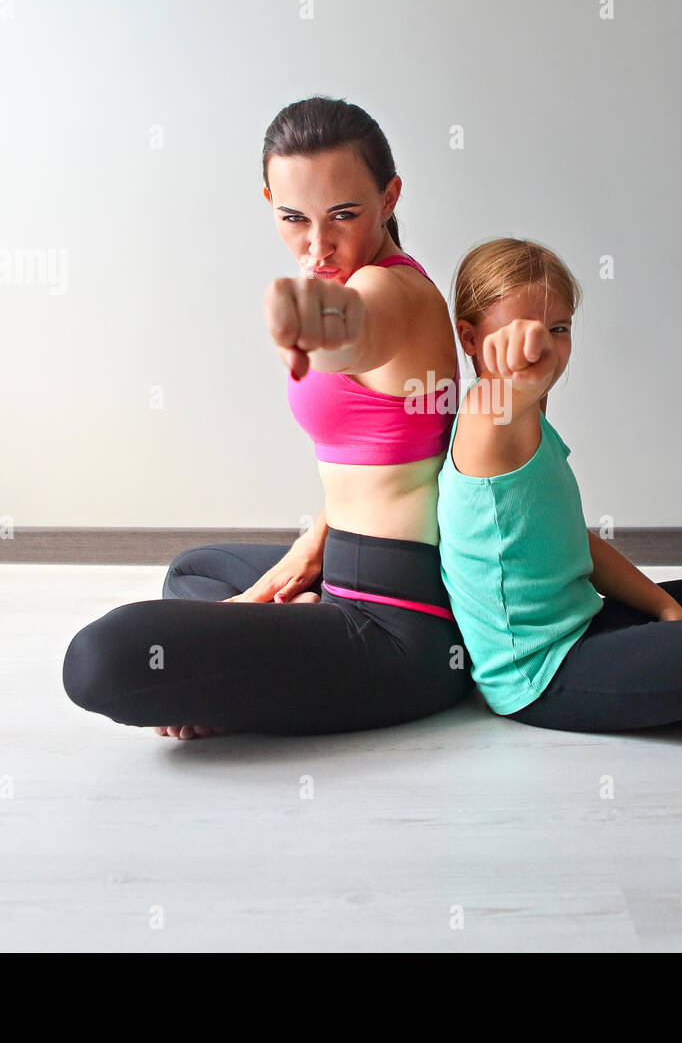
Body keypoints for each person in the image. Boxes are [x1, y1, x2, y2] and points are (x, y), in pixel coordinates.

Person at [62, 96, 472, 738]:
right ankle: (270, 652)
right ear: (269, 204)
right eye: (293, 218)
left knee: (100, 660)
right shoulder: (358, 272)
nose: (317, 245)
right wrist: (311, 545)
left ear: (390, 197)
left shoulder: (390, 292)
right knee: (194, 570)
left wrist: (304, 316)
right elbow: (381, 461)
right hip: (340, 572)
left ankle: (247, 675)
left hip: (399, 628)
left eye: (343, 214)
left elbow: (350, 328)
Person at [436, 239, 682, 755]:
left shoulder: (529, 414)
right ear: (470, 338)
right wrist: (524, 356)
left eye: (559, 329)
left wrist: (665, 607)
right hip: (540, 676)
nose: (544, 348)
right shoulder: (488, 418)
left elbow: (571, 543)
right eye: (523, 332)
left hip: (586, 624)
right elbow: (508, 392)